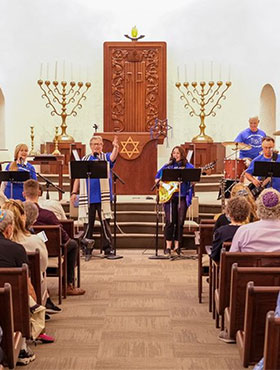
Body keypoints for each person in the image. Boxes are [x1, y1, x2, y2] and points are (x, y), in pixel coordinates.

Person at [23, 179, 85, 296]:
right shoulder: (48, 215)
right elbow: (64, 237)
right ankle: (68, 284)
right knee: (72, 244)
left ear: (23, 194)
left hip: (23, 250)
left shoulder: (17, 214)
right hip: (49, 251)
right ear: (39, 193)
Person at [70, 135, 119, 257]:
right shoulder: (84, 159)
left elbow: (113, 157)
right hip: (89, 196)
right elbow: (78, 177)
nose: (97, 146)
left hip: (102, 196)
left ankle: (108, 249)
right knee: (88, 224)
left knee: (105, 224)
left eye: (99, 144)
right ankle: (87, 248)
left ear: (102, 145)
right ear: (91, 146)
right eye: (95, 144)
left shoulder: (105, 157)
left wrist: (116, 148)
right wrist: (74, 192)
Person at [155, 146, 194, 255]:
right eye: (174, 153)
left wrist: (191, 181)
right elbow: (157, 178)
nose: (175, 155)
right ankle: (168, 246)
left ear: (182, 154)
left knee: (180, 222)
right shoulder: (168, 166)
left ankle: (177, 247)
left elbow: (194, 180)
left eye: (178, 153)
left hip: (182, 196)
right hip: (170, 197)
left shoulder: (188, 167)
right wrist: (164, 185)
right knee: (170, 221)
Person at [230, 188, 280, 252]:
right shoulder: (244, 231)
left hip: (249, 262)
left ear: (258, 206)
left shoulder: (245, 231)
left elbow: (232, 258)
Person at [210, 197, 250, 262]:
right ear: (247, 214)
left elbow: (214, 255)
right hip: (246, 266)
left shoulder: (221, 231)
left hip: (226, 267)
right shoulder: (250, 231)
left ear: (229, 212)